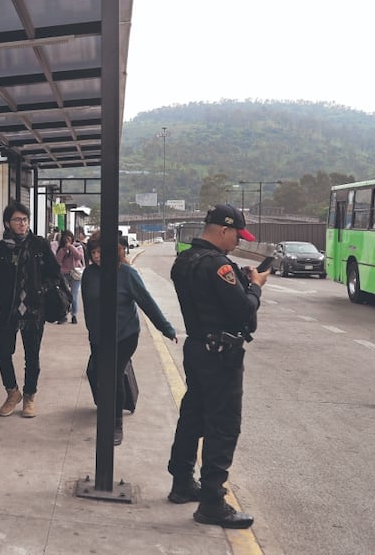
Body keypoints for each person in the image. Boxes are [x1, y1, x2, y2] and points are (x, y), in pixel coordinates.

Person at [166, 204, 268, 529]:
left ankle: (181, 482)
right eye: (237, 235)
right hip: (221, 355)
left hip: (196, 348)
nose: (238, 242)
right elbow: (242, 312)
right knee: (223, 426)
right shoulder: (218, 266)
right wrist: (255, 287)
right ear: (223, 230)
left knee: (192, 415)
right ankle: (212, 502)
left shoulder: (184, 261)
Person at [81, 229, 177, 445]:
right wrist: (92, 333)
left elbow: (147, 303)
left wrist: (166, 329)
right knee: (98, 374)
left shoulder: (126, 273)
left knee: (112, 375)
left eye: (100, 252)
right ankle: (112, 404)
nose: (97, 256)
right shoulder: (89, 275)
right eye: (93, 252)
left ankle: (116, 423)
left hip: (125, 334)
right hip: (98, 336)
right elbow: (88, 307)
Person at [0, 202, 60, 418]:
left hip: (34, 311)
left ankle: (29, 397)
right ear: (8, 223)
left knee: (32, 357)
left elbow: (55, 273)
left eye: (25, 220)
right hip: (9, 311)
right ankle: (12, 393)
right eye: (18, 220)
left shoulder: (39, 245)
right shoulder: (0, 248)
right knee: (3, 354)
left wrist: (41, 290)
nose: (23, 224)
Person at [55, 229, 85, 324]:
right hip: (64, 273)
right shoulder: (61, 249)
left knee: (73, 295)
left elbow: (79, 257)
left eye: (69, 238)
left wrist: (71, 247)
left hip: (75, 273)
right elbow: (57, 260)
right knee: (63, 295)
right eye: (65, 238)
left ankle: (74, 315)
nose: (67, 240)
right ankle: (63, 315)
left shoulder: (78, 246)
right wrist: (64, 249)